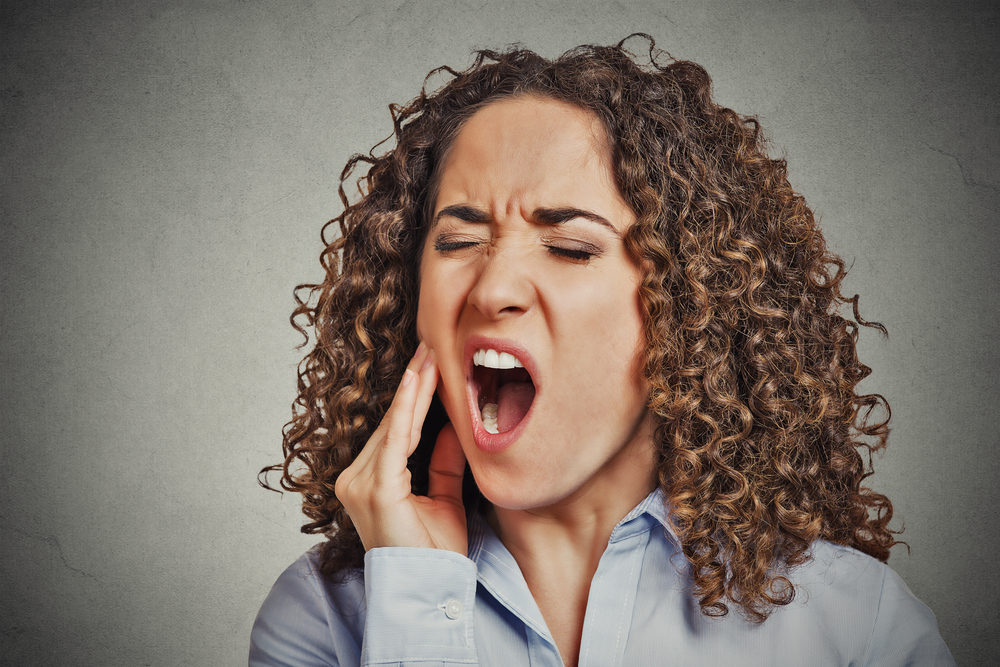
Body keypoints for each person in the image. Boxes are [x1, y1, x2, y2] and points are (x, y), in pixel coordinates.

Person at [250, 36, 955, 666]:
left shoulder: (857, 629)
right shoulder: (324, 620)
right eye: (458, 242)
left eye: (568, 246)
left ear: (688, 300)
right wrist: (415, 606)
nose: (492, 288)